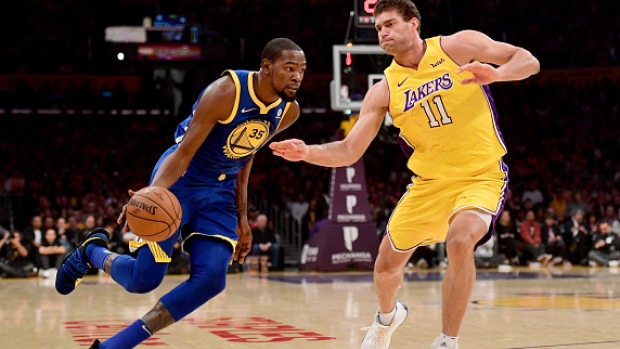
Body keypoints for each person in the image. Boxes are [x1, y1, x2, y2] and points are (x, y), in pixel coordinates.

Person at [269, 1, 539, 347]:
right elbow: (350, 150)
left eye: (390, 24)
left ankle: (447, 340)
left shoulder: (457, 46)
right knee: (384, 269)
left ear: (414, 23)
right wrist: (307, 152)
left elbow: (529, 61)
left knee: (459, 241)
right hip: (427, 186)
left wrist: (498, 74)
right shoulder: (384, 89)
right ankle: (387, 319)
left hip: (480, 175)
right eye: (379, 27)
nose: (383, 32)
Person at [55, 37, 306, 349]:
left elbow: (247, 153)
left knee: (212, 279)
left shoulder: (288, 111)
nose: (297, 76)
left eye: (302, 70)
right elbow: (184, 152)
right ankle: (91, 251)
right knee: (143, 280)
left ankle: (113, 347)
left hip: (220, 191)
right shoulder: (226, 92)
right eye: (290, 68)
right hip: (181, 181)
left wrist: (243, 218)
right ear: (266, 67)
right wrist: (148, 195)